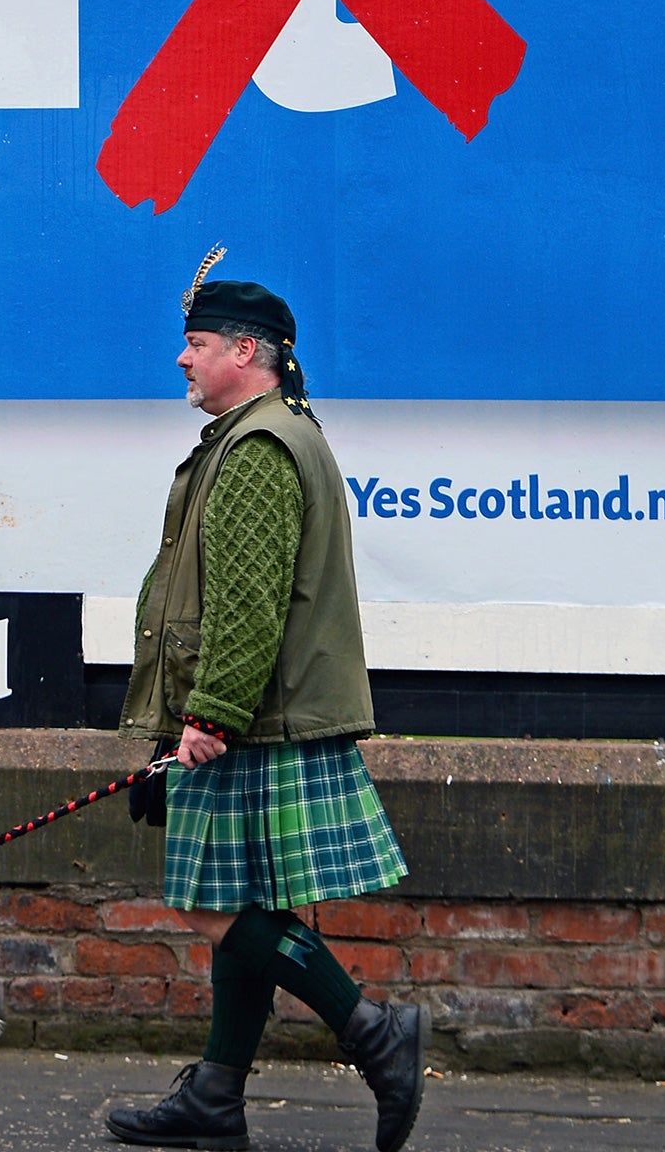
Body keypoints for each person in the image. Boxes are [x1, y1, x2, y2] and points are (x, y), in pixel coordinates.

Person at [106, 248, 427, 1152]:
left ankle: (372, 1030)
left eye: (196, 343)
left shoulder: (257, 448)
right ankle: (216, 1095)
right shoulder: (275, 433)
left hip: (254, 721)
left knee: (215, 906)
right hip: (263, 715)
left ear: (247, 352)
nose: (182, 358)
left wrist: (208, 718)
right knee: (245, 906)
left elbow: (249, 601)